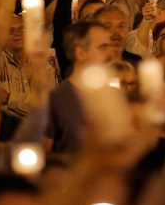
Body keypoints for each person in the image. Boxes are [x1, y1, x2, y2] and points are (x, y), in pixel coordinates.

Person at [44, 20, 114, 154]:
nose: (110, 54)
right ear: (80, 53)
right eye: (103, 47)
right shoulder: (56, 99)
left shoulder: (116, 95)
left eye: (110, 47)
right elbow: (44, 153)